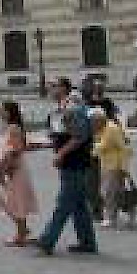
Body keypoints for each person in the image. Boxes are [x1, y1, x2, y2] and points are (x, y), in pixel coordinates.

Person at [34, 78, 97, 255]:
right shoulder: (64, 108)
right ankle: (87, 242)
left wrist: (61, 153)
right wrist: (41, 144)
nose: (49, 89)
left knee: (64, 203)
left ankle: (46, 241)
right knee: (78, 205)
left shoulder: (72, 108)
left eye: (53, 86)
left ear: (63, 88)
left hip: (75, 162)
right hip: (74, 162)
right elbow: (61, 135)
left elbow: (79, 136)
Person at [0, 100, 38, 245]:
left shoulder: (13, 128)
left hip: (13, 169)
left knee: (13, 201)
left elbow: (14, 150)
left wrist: (5, 168)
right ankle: (23, 230)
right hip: (11, 169)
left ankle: (21, 234)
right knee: (8, 200)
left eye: (2, 109)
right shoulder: (10, 127)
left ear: (9, 112)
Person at [91, 104, 134, 229]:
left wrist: (92, 148)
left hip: (115, 164)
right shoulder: (104, 128)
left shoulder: (110, 129)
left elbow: (103, 145)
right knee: (116, 191)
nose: (92, 124)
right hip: (108, 163)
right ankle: (127, 210)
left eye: (93, 121)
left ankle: (110, 217)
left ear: (99, 119)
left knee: (108, 191)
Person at [84, 82, 114, 221]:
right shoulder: (88, 103)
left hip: (103, 146)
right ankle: (97, 209)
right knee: (92, 180)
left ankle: (102, 208)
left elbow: (112, 119)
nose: (98, 90)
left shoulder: (107, 103)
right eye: (96, 88)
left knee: (103, 181)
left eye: (100, 88)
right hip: (93, 146)